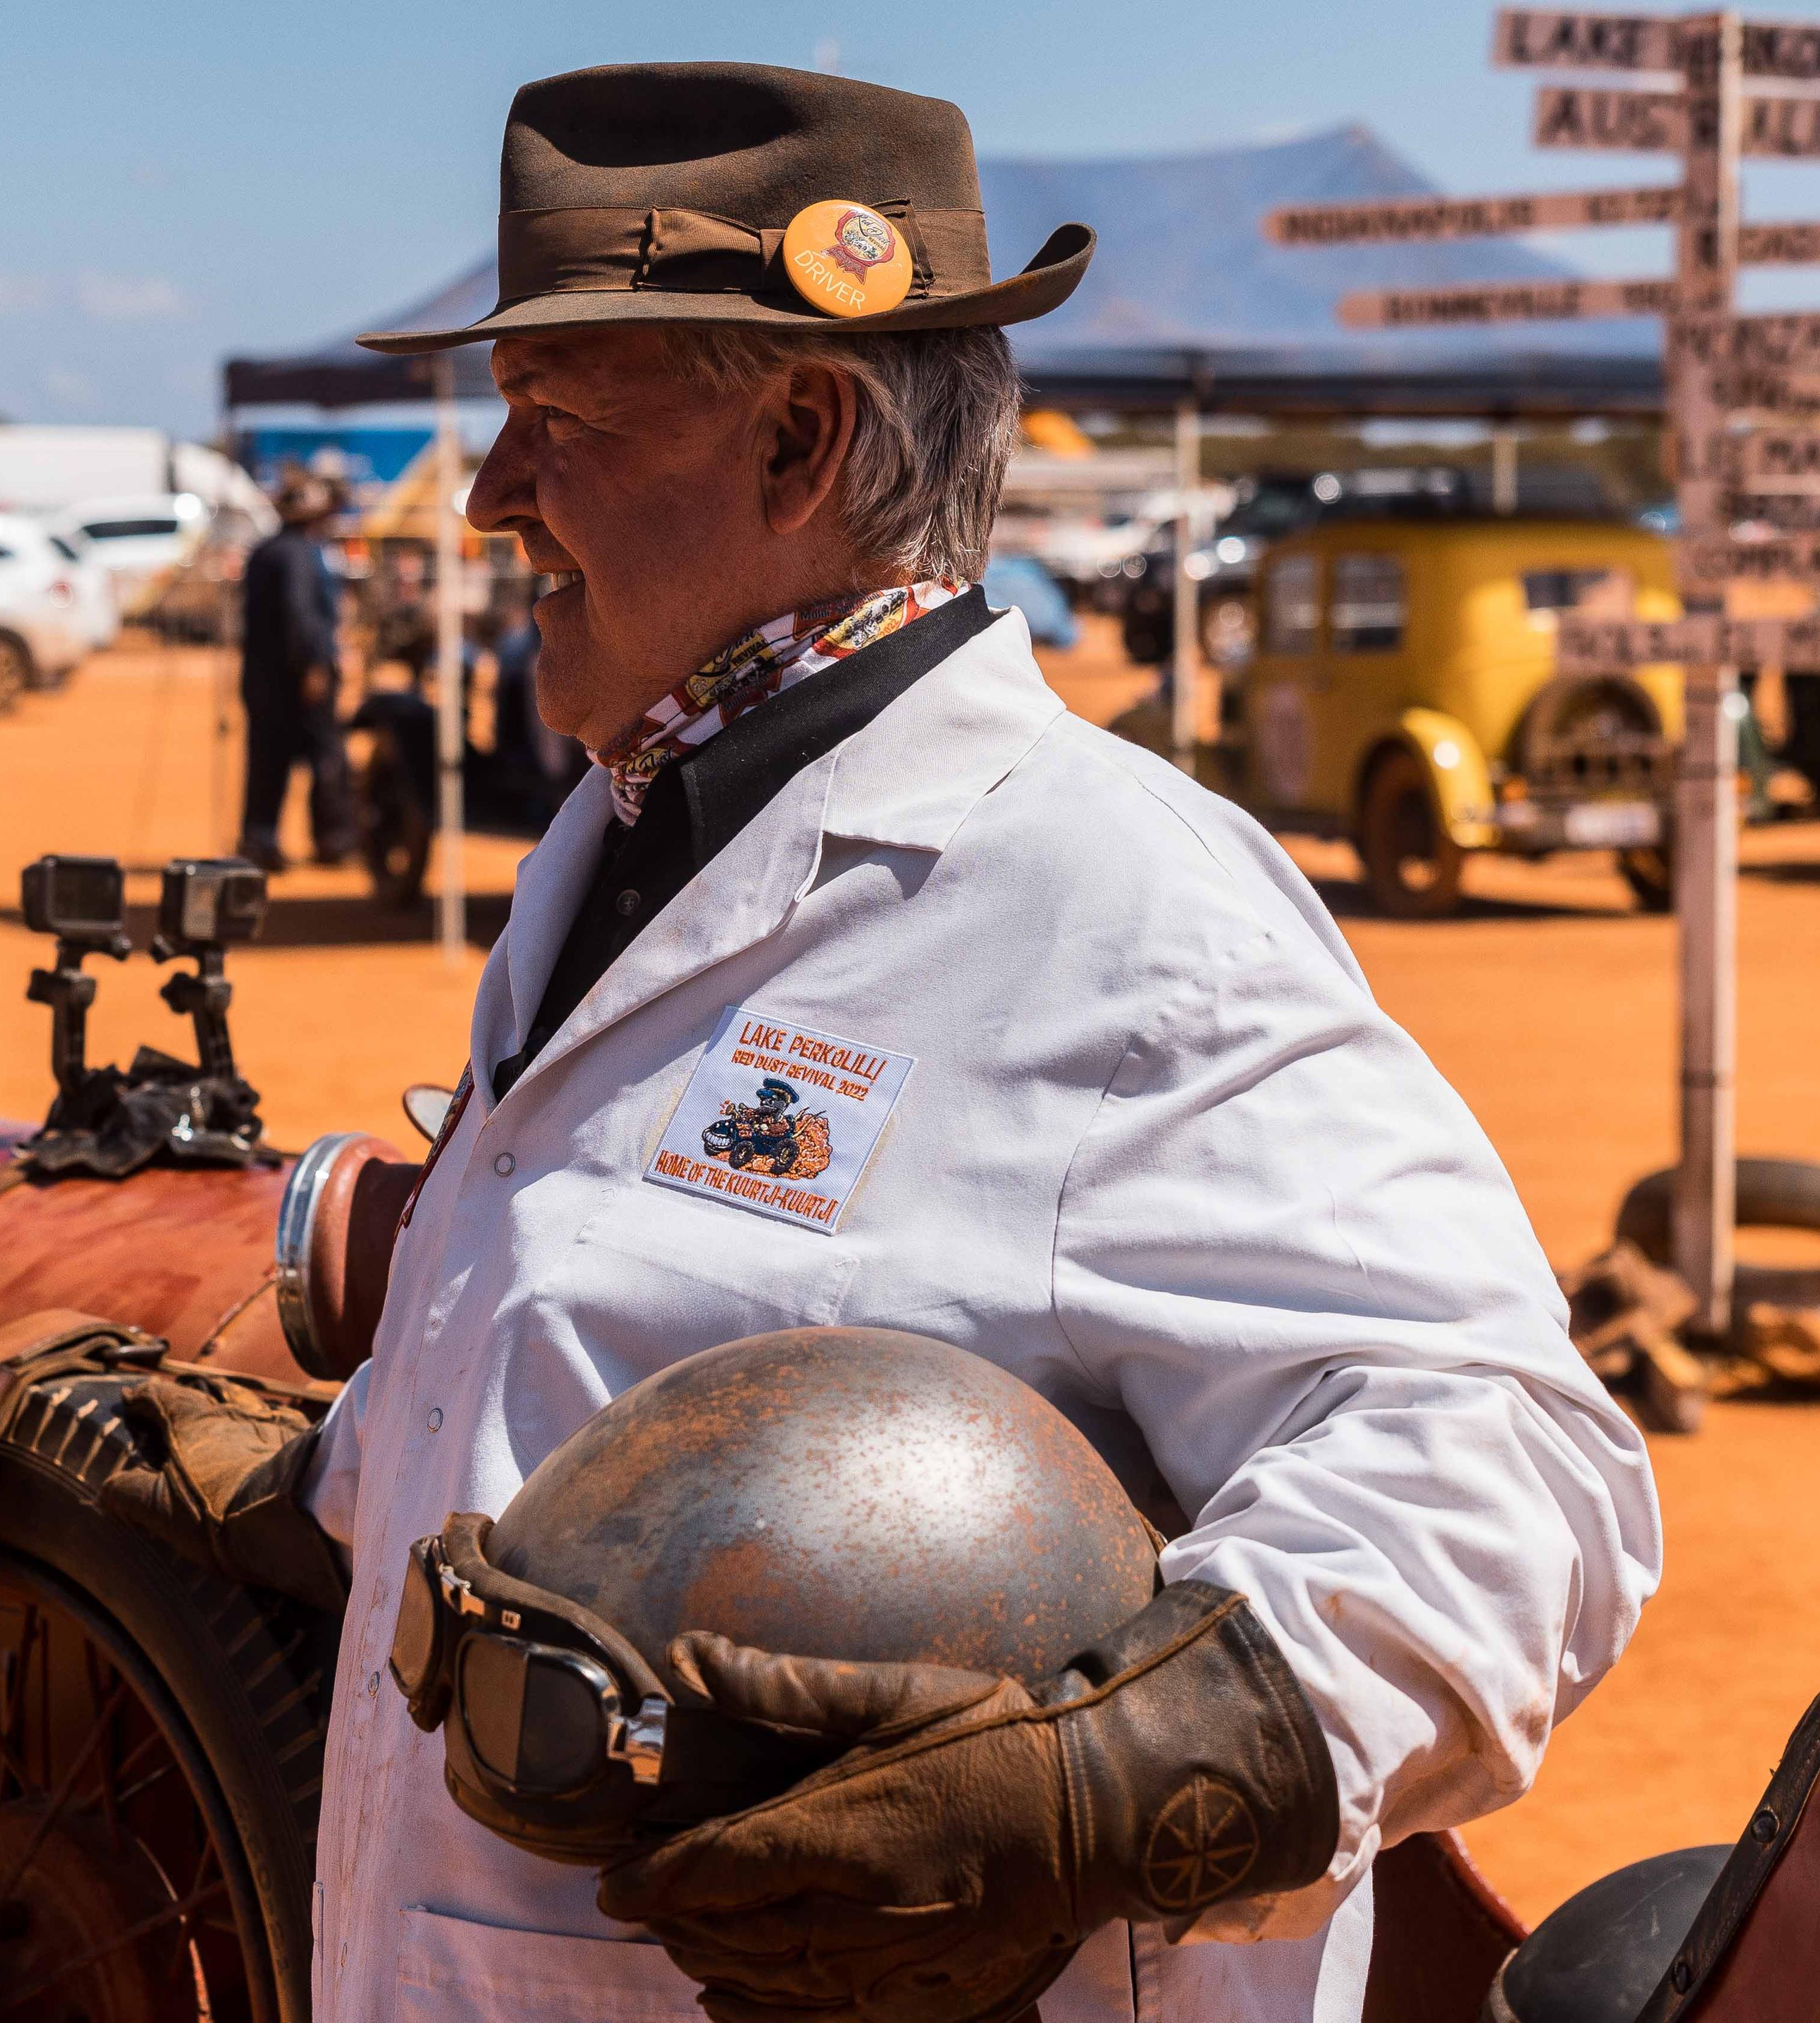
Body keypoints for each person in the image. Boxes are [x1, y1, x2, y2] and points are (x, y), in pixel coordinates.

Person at [107, 60, 1660, 2023]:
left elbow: (1516, 1469)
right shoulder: (625, 837)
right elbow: (654, 1376)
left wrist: (1126, 1773)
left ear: (802, 437)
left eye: (555, 418)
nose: (495, 492)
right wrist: (331, 1479)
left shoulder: (1114, 904)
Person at [235, 469, 354, 870]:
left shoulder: (266, 550)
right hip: (296, 680)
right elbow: (300, 613)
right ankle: (331, 839)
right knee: (325, 756)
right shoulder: (299, 553)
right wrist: (316, 666)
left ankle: (259, 838)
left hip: (264, 678)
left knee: (267, 760)